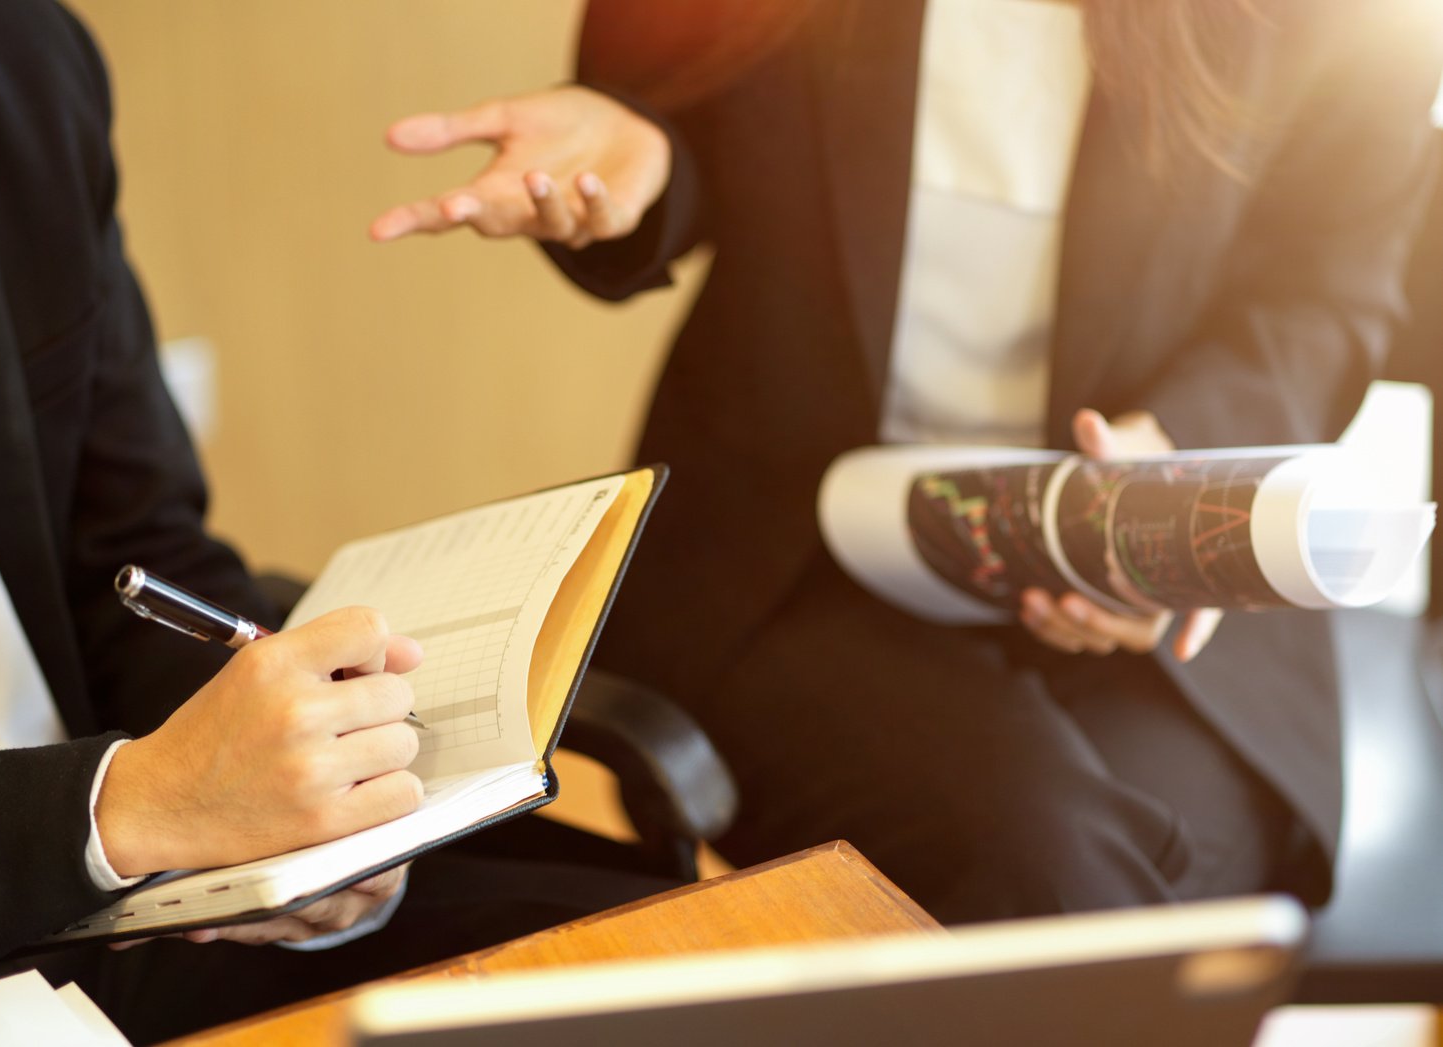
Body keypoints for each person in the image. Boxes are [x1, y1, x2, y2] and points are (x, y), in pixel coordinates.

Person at [370, 0, 1443, 921]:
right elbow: (676, 119)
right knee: (1056, 875)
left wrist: (1173, 462)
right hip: (795, 560)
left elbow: (1325, 290)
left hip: (1142, 559)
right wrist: (639, 152)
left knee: (1167, 884)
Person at [0, 1, 669, 1041]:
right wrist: (124, 804)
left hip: (128, 909)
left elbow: (135, 550)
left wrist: (313, 816)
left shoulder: (18, 60)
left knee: (664, 967)